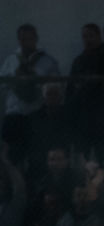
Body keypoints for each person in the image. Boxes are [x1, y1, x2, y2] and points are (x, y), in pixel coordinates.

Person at [0, 24, 61, 166]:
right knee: (11, 157)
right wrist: (15, 81)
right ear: (18, 40)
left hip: (36, 114)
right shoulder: (11, 61)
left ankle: (37, 186)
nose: (26, 42)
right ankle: (15, 185)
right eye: (23, 39)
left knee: (38, 155)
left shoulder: (47, 61)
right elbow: (2, 83)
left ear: (36, 39)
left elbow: (57, 85)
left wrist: (36, 81)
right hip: (14, 114)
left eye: (29, 38)